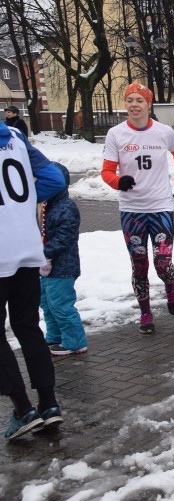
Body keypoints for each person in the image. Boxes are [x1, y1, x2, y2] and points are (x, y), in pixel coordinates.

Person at [101, 83, 174, 334]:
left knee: (162, 263)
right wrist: (118, 181)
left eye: (139, 100)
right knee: (139, 265)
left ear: (148, 104)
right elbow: (106, 171)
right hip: (132, 210)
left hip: (160, 206)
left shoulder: (163, 132)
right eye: (129, 100)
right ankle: (146, 313)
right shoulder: (116, 134)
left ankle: (170, 285)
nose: (134, 105)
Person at [0, 119, 67, 439]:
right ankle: (49, 403)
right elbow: (53, 178)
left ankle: (22, 409)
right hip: (26, 247)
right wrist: (22, 202)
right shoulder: (13, 135)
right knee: (28, 325)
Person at [40, 162, 89, 356]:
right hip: (45, 266)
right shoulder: (46, 205)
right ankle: (54, 336)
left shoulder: (66, 207)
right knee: (47, 304)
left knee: (61, 304)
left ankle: (75, 342)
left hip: (62, 266)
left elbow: (65, 236)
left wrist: (45, 252)